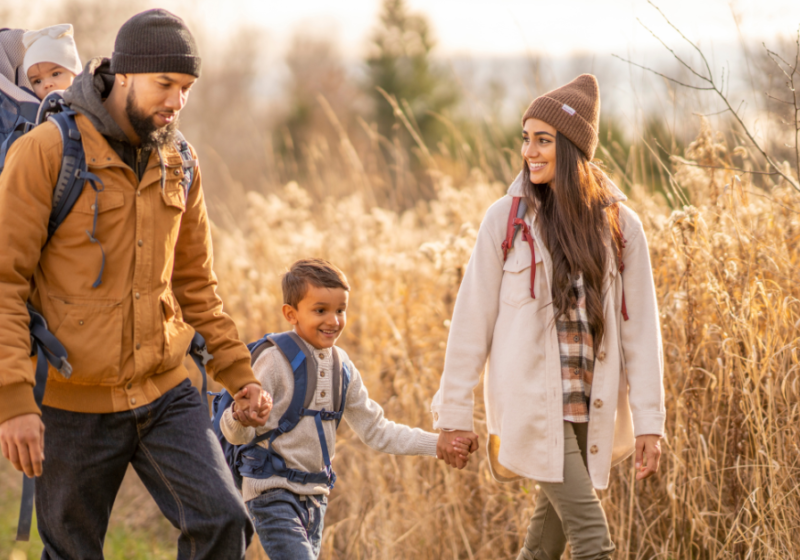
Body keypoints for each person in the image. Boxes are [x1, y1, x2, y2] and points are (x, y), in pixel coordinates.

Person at [0, 9, 271, 559]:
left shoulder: (181, 161)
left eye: (187, 88)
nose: (177, 100)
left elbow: (196, 283)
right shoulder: (47, 152)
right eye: (165, 84)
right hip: (69, 401)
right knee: (72, 551)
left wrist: (237, 373)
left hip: (164, 389)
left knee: (222, 522)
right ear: (123, 74)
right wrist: (12, 401)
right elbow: (5, 280)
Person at [431, 74, 666, 560]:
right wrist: (453, 413)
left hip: (591, 403)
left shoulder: (621, 227)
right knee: (593, 543)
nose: (530, 151)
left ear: (573, 148)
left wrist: (650, 423)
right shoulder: (506, 219)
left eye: (544, 140)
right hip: (531, 404)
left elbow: (640, 331)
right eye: (526, 139)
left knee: (544, 545)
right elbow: (471, 320)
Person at [221, 258, 472, 560]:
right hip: (272, 494)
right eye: (320, 310)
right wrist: (240, 416)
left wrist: (438, 444)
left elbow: (377, 431)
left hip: (315, 498)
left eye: (340, 310)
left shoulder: (343, 367)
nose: (333, 320)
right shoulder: (273, 362)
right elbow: (234, 434)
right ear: (291, 313)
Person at [22, 24, 82, 100]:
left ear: (76, 74)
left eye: (55, 74)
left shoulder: (92, 101)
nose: (47, 84)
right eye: (38, 81)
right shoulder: (37, 109)